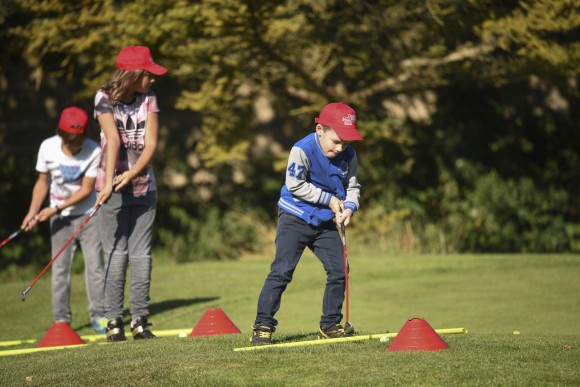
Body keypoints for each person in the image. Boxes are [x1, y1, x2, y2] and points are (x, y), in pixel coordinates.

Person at [251, 102, 364, 344]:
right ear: (320, 130)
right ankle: (263, 325)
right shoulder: (301, 149)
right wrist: (330, 200)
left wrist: (350, 208)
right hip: (295, 217)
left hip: (325, 223)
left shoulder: (349, 154)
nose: (341, 147)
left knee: (340, 270)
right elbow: (295, 185)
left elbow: (352, 186)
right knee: (282, 271)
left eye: (346, 142)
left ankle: (330, 325)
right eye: (336, 141)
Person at [94, 45, 167, 342]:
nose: (153, 79)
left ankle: (140, 321)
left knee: (141, 255)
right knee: (116, 253)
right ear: (135, 74)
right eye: (149, 73)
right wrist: (111, 180)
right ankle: (114, 322)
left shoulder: (149, 98)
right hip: (110, 186)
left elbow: (150, 145)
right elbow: (112, 139)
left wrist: (132, 174)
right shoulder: (103, 97)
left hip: (143, 186)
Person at [22, 106, 107, 334]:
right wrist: (33, 212)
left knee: (95, 267)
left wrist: (54, 208)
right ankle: (61, 319)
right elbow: (42, 183)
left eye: (78, 142)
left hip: (88, 215)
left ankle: (99, 315)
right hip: (59, 219)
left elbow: (87, 190)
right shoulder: (47, 148)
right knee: (59, 269)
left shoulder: (93, 151)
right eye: (71, 143)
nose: (75, 147)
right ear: (60, 134)